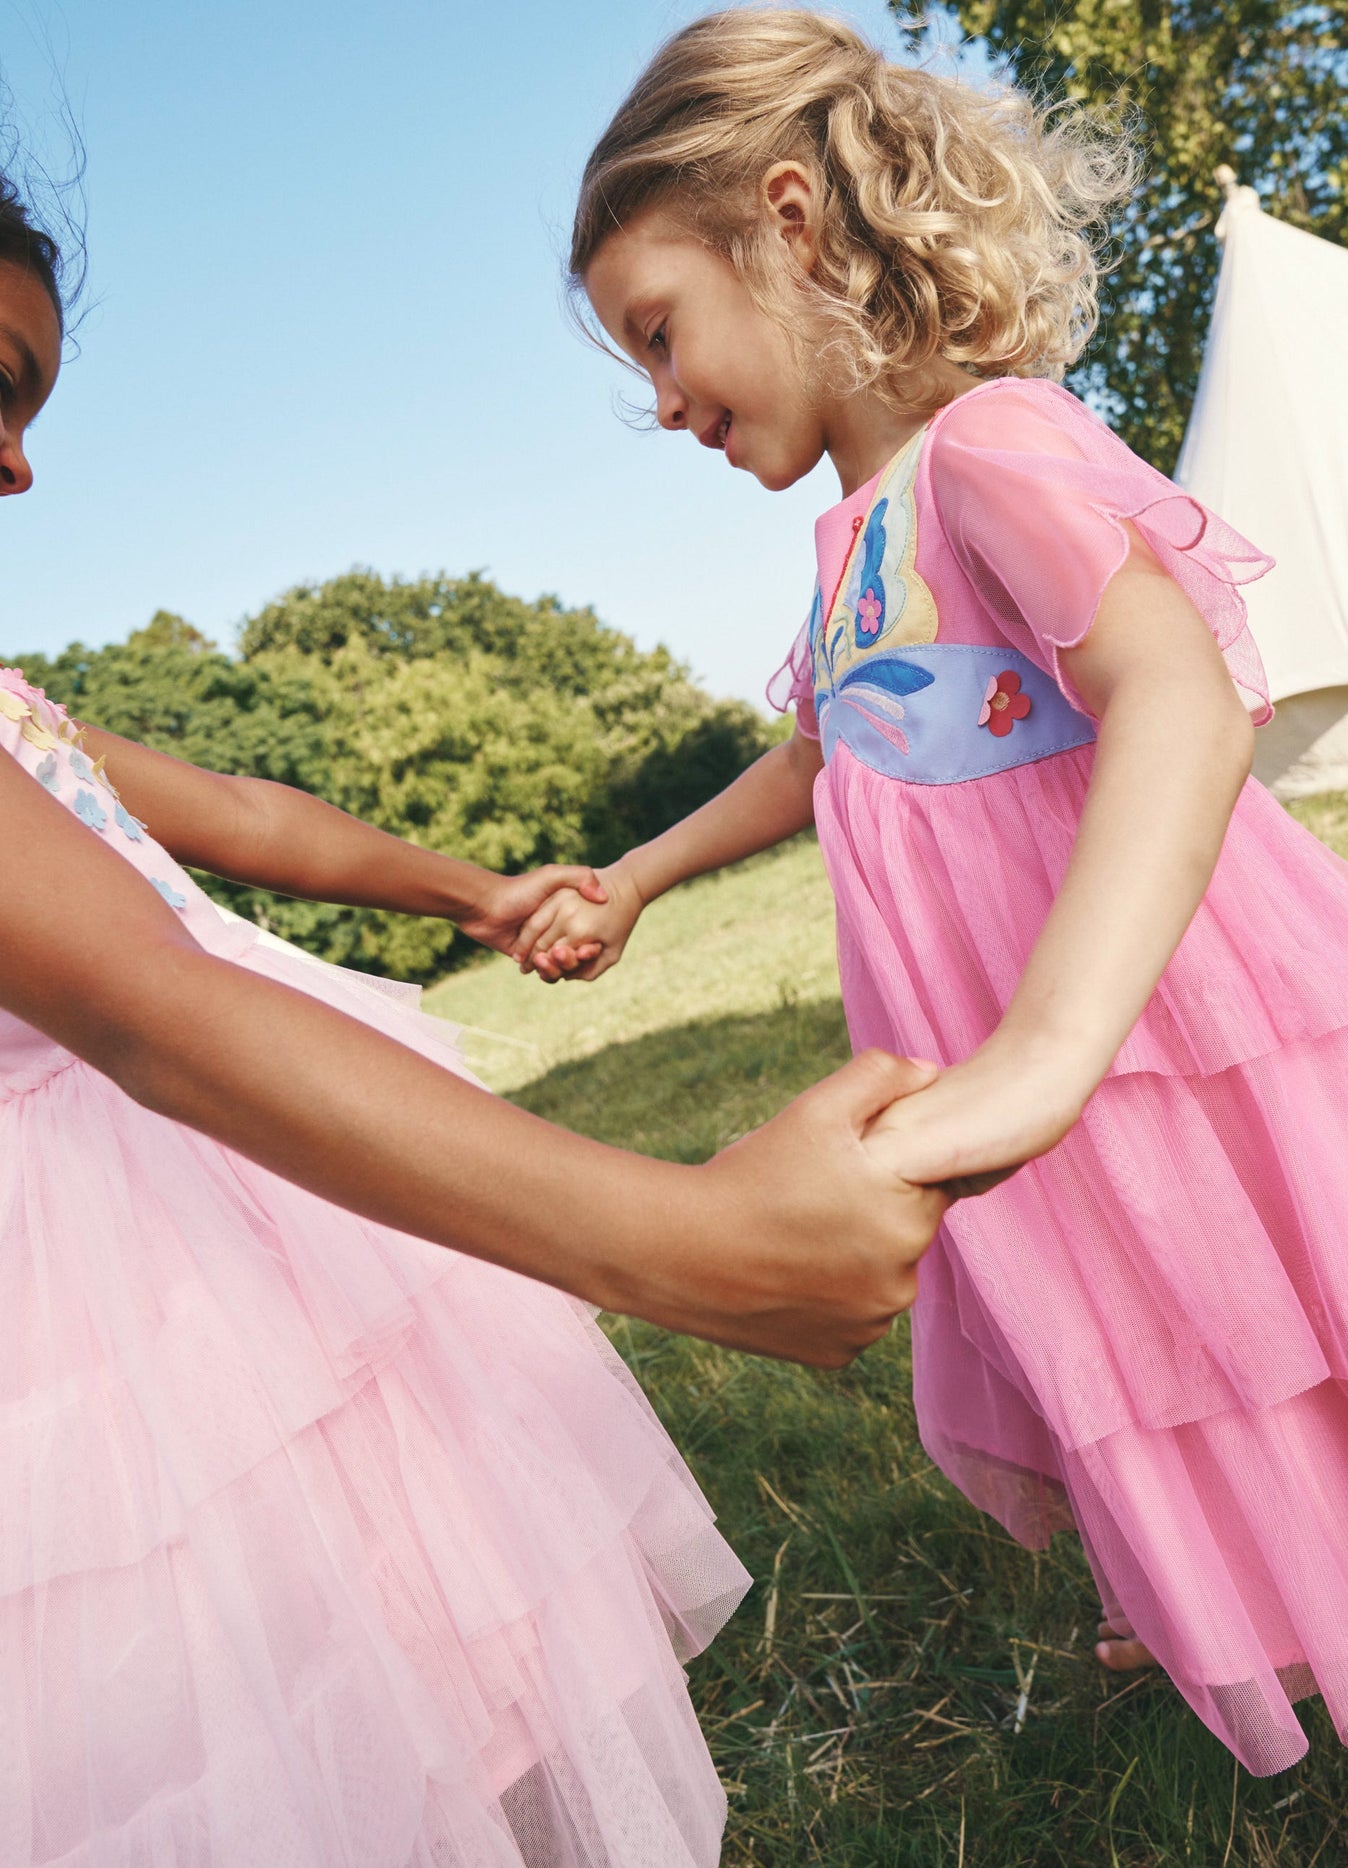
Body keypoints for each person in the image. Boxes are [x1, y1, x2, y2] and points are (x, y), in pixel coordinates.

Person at [518, 6, 1348, 1785]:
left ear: (789, 225)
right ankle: (1265, 1568)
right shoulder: (851, 538)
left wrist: (1044, 1051)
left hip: (1155, 1055)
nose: (662, 401)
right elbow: (821, 753)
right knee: (1222, 1396)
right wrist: (633, 875)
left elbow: (1176, 694)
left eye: (659, 330)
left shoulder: (992, 449)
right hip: (1051, 1104)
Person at [0, 163, 955, 1865]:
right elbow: (147, 1008)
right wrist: (695, 1243)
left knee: (390, 1628)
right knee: (199, 1693)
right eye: (1, 390)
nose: (19, 463)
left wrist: (477, 892)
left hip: (218, 1207)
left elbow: (240, 813)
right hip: (76, 1288)